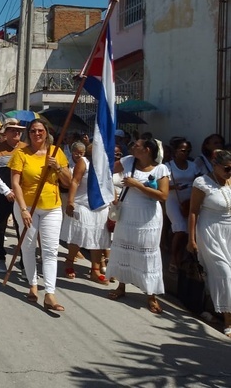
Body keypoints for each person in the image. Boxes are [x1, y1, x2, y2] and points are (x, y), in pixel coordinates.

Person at [9, 118, 71, 311]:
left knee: (51, 250)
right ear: (29, 133)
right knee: (28, 247)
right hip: (28, 207)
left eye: (40, 131)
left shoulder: (56, 152)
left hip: (52, 206)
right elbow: (16, 183)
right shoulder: (21, 154)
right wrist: (23, 209)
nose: (37, 134)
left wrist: (57, 167)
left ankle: (50, 294)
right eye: (34, 131)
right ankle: (33, 285)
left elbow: (68, 182)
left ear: (46, 133)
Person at [107, 138, 170, 314]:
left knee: (147, 253)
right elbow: (107, 170)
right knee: (124, 248)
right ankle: (121, 286)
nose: (132, 146)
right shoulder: (128, 161)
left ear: (148, 150)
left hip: (148, 217)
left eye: (136, 145)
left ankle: (151, 295)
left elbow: (163, 195)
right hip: (127, 213)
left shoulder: (161, 169)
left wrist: (137, 185)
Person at [188, 149, 231, 338]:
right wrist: (191, 239)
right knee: (224, 274)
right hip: (209, 232)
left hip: (229, 232)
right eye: (227, 168)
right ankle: (229, 324)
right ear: (215, 165)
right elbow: (193, 211)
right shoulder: (202, 183)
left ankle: (213, 309)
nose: (230, 172)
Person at [63, 142, 111, 284]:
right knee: (79, 235)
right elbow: (75, 181)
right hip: (83, 204)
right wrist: (70, 201)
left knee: (98, 237)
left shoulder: (107, 163)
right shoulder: (84, 161)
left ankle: (95, 270)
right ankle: (69, 261)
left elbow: (109, 183)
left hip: (101, 205)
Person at [0, 118, 26, 274]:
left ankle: (24, 262)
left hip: (22, 195)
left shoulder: (26, 148)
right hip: (3, 193)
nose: (16, 132)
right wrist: (6, 191)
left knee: (22, 228)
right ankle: (0, 257)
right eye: (13, 130)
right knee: (1, 226)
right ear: (6, 133)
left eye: (19, 130)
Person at [165, 137, 196, 273]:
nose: (185, 153)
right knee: (180, 229)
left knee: (189, 231)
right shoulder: (168, 166)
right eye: (182, 150)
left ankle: (182, 255)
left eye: (188, 151)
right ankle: (173, 257)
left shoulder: (193, 165)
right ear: (176, 151)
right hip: (173, 199)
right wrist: (174, 187)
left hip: (188, 201)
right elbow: (163, 185)